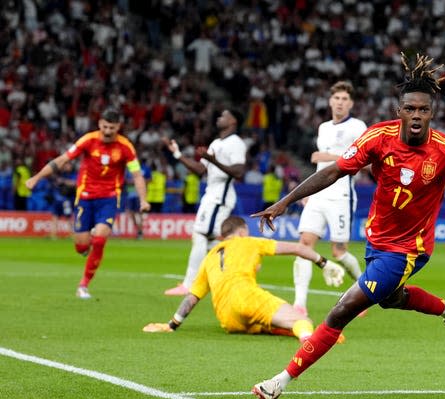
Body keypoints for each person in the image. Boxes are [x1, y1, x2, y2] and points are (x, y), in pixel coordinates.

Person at [250, 53, 445, 399]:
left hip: (409, 250)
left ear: (433, 113)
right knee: (391, 299)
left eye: (423, 110)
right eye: (410, 109)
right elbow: (333, 171)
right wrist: (286, 201)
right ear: (399, 110)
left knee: (341, 311)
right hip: (378, 241)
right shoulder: (378, 138)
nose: (416, 116)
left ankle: (279, 381)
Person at [142, 216, 345, 342]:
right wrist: (323, 263)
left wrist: (172, 324)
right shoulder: (248, 241)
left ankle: (288, 329)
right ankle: (309, 341)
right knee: (302, 321)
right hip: (247, 297)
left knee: (270, 323)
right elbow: (299, 248)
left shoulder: (210, 256)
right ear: (241, 232)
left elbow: (192, 297)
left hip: (228, 319)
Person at [26, 108, 150, 299]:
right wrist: (36, 178)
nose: (108, 131)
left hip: (109, 198)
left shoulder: (125, 147)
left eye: (112, 127)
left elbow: (137, 175)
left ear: (118, 126)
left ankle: (83, 285)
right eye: (105, 126)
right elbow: (62, 160)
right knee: (81, 246)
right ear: (100, 124)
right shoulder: (88, 140)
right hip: (84, 197)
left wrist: (143, 199)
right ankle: (85, 245)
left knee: (100, 240)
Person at [293, 81, 367, 316]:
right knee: (304, 245)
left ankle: (365, 292)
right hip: (319, 195)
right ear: (330, 101)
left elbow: (363, 159)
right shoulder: (323, 127)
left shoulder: (358, 126)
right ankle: (299, 305)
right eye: (337, 99)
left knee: (339, 252)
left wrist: (327, 156)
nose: (340, 103)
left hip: (341, 195)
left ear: (351, 103)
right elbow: (320, 168)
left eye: (345, 99)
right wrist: (309, 192)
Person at [162, 109, 247, 296]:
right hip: (211, 193)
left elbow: (239, 172)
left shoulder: (236, 143)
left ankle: (190, 285)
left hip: (220, 195)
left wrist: (213, 161)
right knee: (210, 238)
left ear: (233, 122)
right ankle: (224, 278)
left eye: (224, 115)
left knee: (201, 234)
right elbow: (200, 169)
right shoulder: (216, 143)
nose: (219, 117)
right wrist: (177, 154)